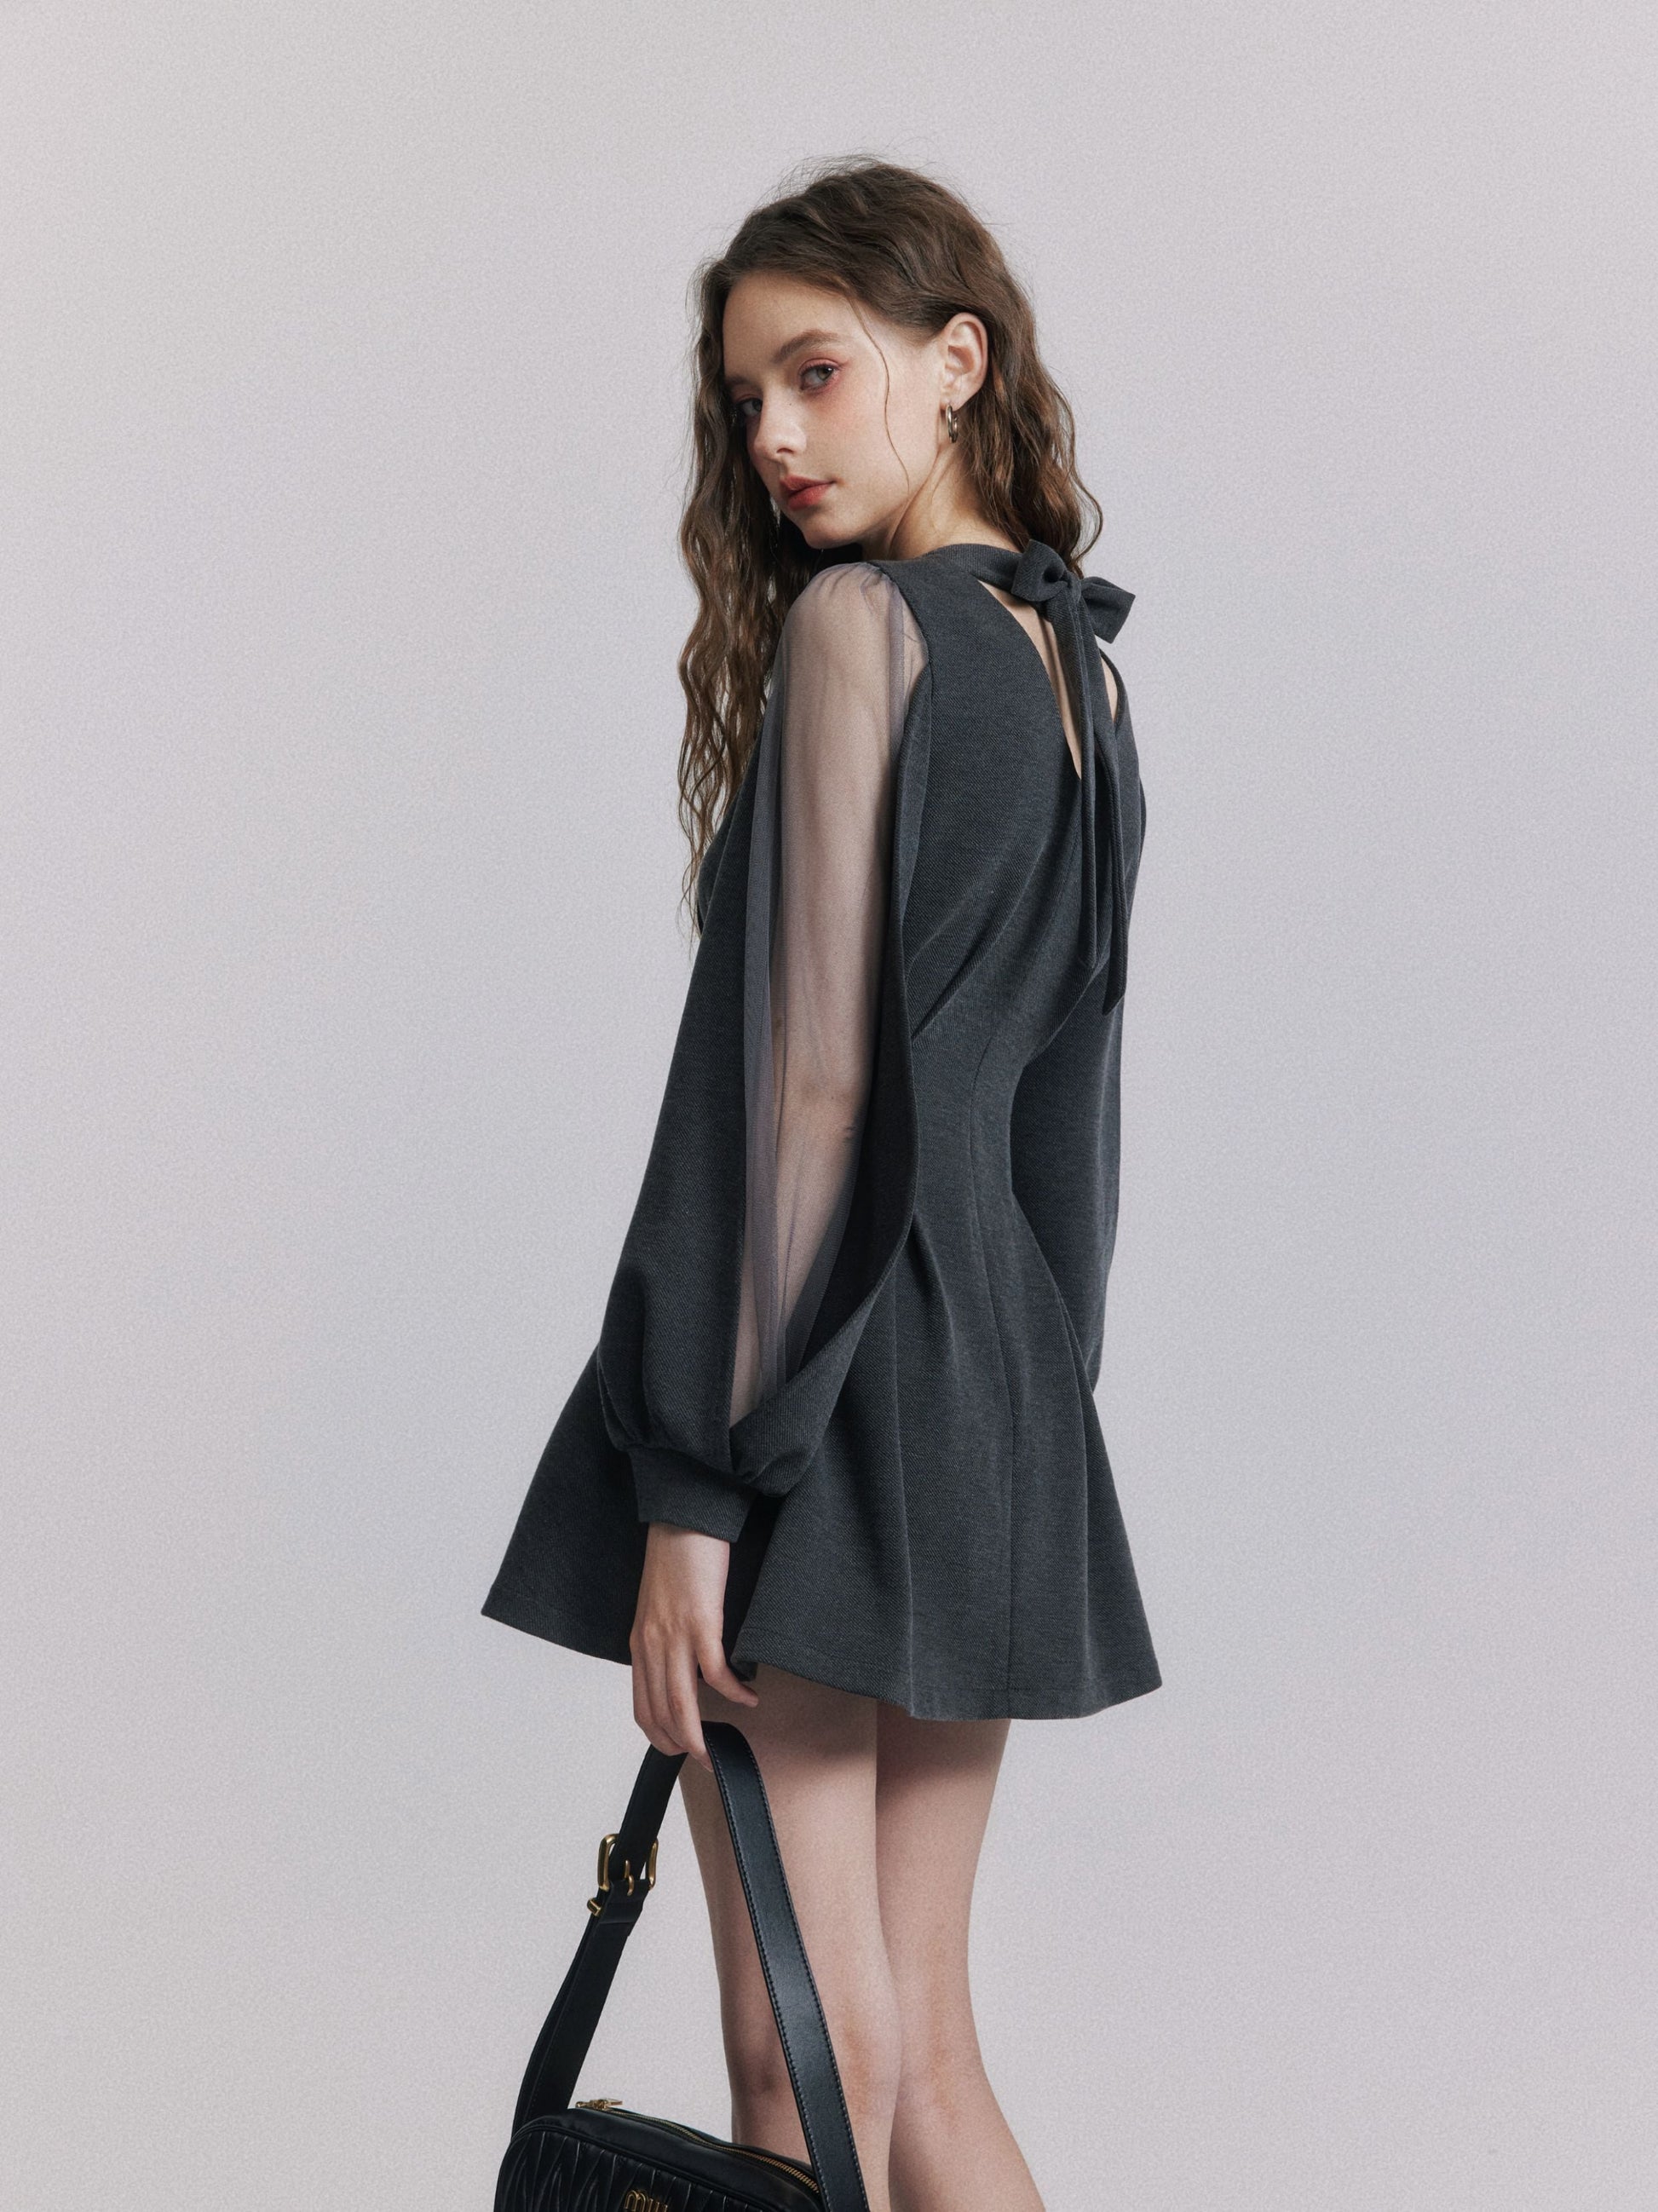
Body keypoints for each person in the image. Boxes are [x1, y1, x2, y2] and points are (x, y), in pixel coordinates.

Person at [482, 157, 1160, 2212]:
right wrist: (1033, 1399)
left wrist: (694, 1487)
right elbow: (1065, 1103)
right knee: (918, 2041)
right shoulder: (1077, 669)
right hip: (991, 1388)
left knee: (799, 2047)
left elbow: (803, 1095)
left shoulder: (867, 627)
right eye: (744, 399)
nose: (773, 435)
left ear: (956, 361)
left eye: (815, 373)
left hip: (823, 1379)